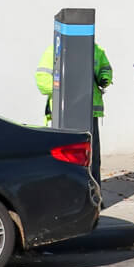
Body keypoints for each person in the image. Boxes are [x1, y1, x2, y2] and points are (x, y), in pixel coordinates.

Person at [36, 42, 113, 195]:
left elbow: (105, 69)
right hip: (65, 113)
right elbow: (42, 82)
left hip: (89, 114)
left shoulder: (96, 50)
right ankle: (67, 194)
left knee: (91, 159)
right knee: (66, 158)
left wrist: (104, 77)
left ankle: (93, 196)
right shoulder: (54, 51)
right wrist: (67, 87)